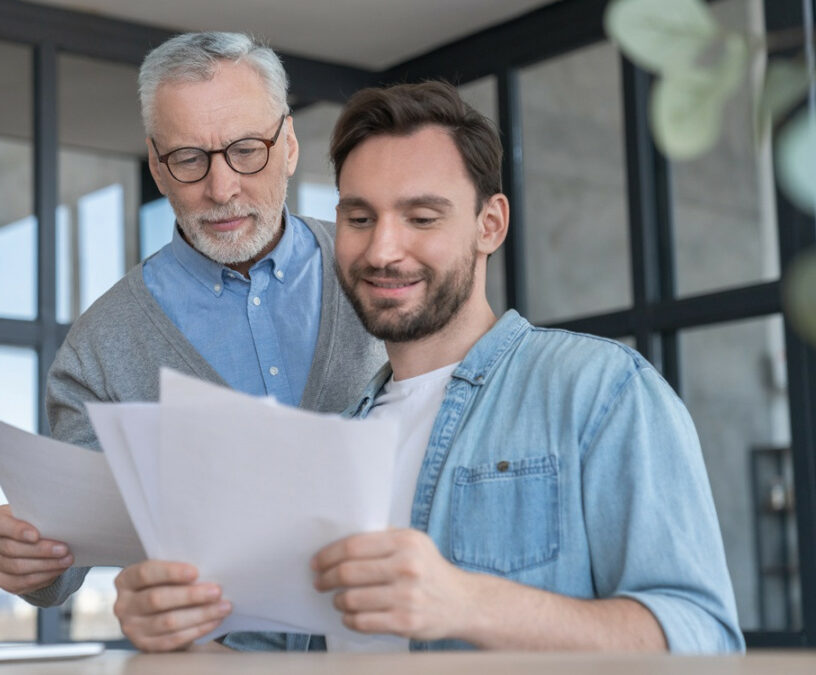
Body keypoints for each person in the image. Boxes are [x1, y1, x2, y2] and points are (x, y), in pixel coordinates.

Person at [113, 80, 745, 653]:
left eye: (421, 217)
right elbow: (275, 657)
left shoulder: (599, 391)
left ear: (489, 225)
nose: (384, 249)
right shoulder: (336, 440)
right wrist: (178, 635)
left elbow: (704, 641)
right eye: (360, 219)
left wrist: (468, 603)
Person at [0, 32, 384, 620]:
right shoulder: (100, 347)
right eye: (189, 159)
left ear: (290, 145)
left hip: (391, 644)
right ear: (157, 167)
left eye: (247, 150)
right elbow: (63, 556)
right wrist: (27, 557)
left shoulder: (379, 269)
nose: (222, 189)